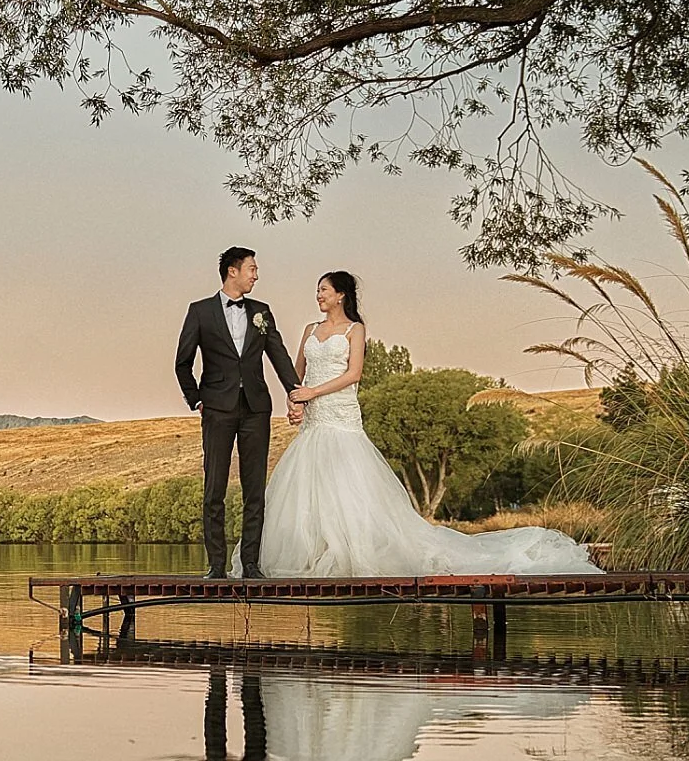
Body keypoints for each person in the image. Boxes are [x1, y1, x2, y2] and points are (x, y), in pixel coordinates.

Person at [247, 271, 601, 577]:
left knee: (348, 484)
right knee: (309, 485)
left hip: (340, 414)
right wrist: (295, 399)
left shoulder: (356, 330)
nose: (318, 295)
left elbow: (354, 374)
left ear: (340, 294)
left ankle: (356, 552)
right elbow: (297, 373)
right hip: (313, 419)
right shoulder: (310, 329)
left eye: (323, 289)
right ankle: (313, 556)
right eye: (317, 290)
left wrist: (314, 392)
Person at [175, 247, 303, 579]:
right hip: (217, 408)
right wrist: (197, 399)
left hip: (256, 408)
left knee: (255, 489)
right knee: (214, 487)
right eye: (252, 269)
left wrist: (295, 391)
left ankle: (251, 564)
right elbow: (183, 363)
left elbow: (278, 353)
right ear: (233, 271)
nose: (256, 275)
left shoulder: (262, 312)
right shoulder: (200, 311)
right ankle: (216, 566)